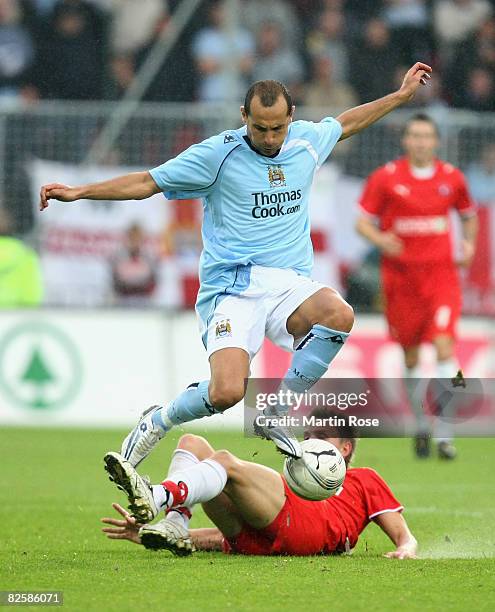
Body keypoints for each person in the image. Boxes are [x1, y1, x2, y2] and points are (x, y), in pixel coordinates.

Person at [39, 62, 432, 464]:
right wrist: (80, 191)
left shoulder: (308, 141)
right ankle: (157, 421)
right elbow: (147, 182)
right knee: (226, 393)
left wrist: (400, 97)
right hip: (233, 287)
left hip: (287, 284)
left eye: (277, 127)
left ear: (291, 117)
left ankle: (277, 412)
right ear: (244, 117)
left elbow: (347, 123)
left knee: (338, 313)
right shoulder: (217, 154)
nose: (268, 137)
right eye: (259, 128)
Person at [101, 417, 417, 559]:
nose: (310, 441)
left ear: (345, 448)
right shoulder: (293, 481)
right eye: (307, 435)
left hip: (310, 528)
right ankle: (174, 524)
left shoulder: (363, 479)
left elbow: (404, 536)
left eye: (321, 435)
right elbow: (217, 538)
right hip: (258, 540)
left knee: (223, 461)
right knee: (192, 443)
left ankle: (158, 497)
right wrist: (145, 535)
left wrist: (405, 548)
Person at [356, 113, 478, 460]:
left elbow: (469, 216)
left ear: (436, 141)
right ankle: (422, 423)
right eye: (415, 135)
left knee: (443, 347)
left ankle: (444, 433)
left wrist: (468, 245)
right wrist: (381, 239)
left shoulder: (451, 178)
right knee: (409, 357)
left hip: (441, 279)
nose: (421, 141)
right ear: (406, 141)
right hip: (401, 282)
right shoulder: (387, 178)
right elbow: (362, 222)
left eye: (427, 136)